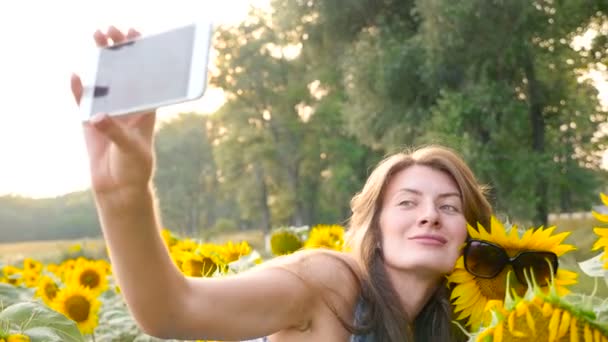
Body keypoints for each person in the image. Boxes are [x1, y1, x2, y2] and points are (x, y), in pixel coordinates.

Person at [71, 26, 493, 342]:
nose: (430, 216)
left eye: (450, 207)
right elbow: (171, 309)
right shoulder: (328, 284)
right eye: (407, 202)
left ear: (471, 236)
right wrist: (123, 196)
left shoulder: (448, 326)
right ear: (375, 229)